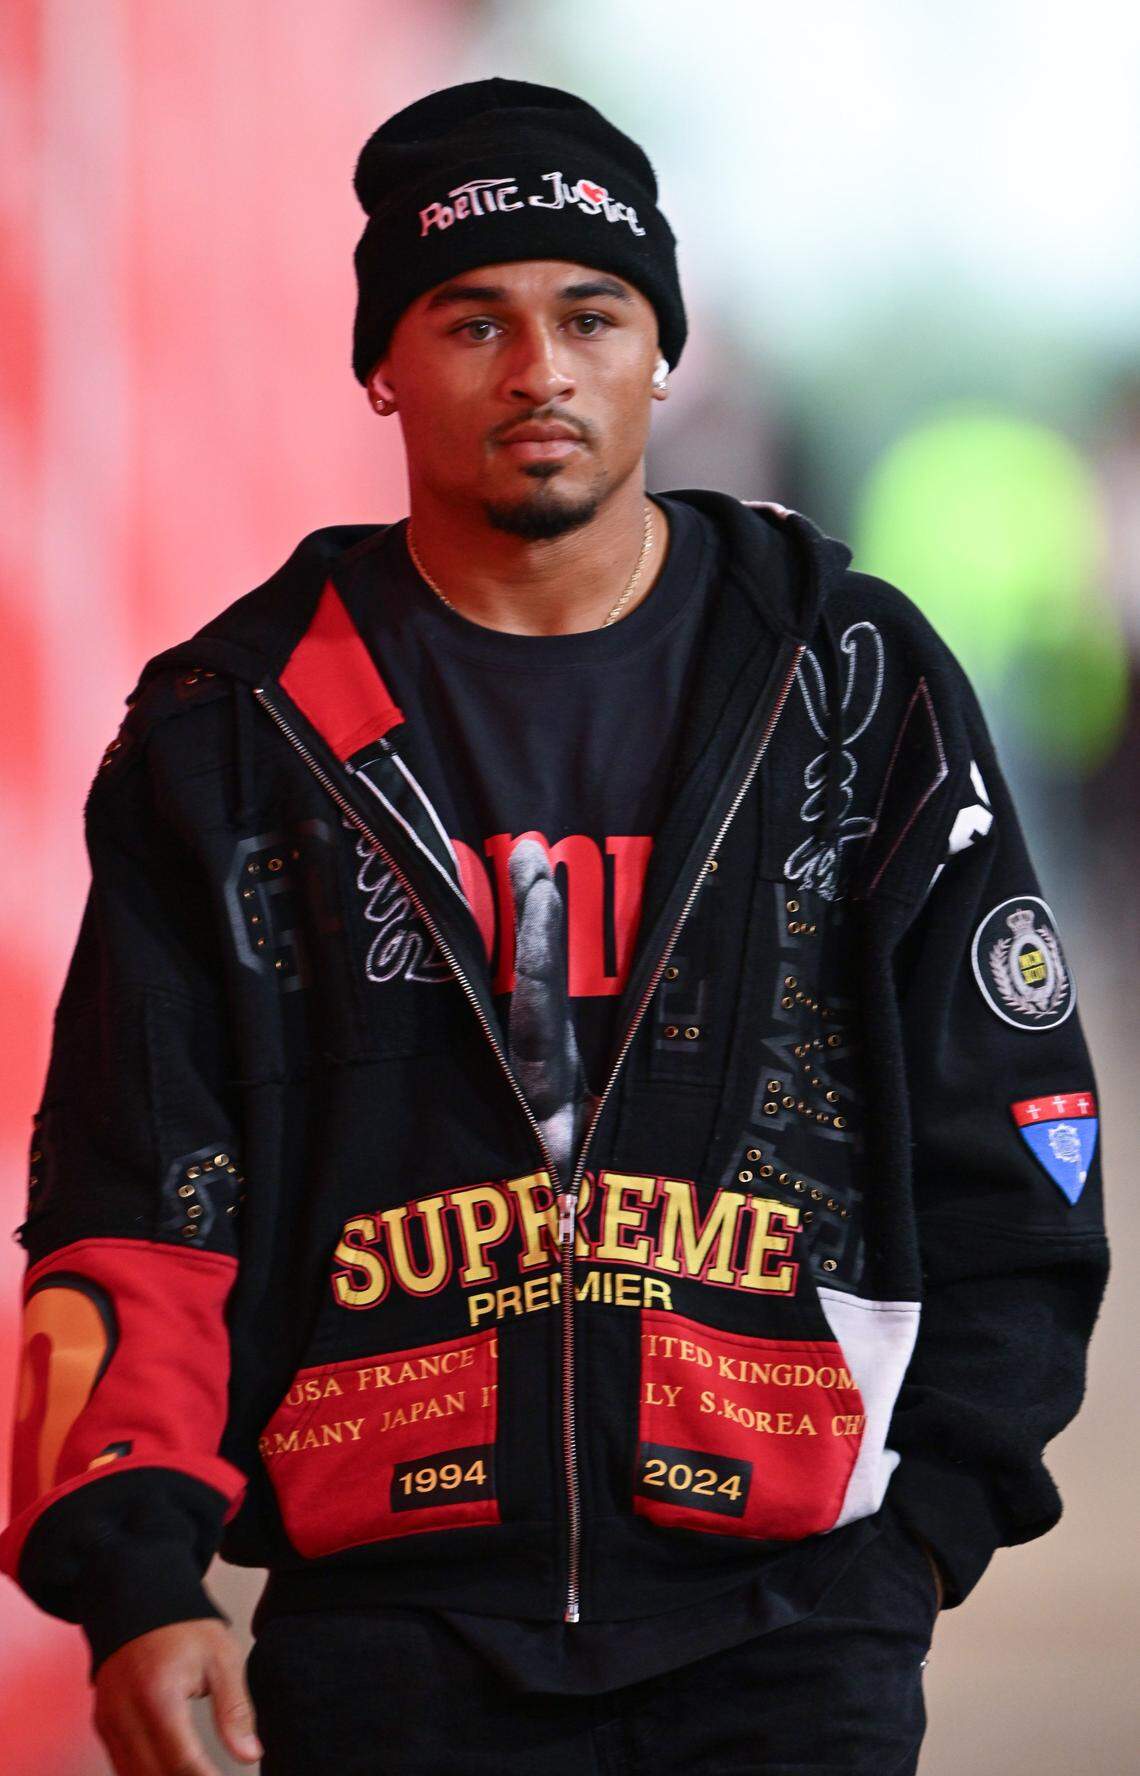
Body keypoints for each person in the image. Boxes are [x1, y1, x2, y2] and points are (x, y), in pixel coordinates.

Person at [1, 77, 1109, 1776]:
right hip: (385, 1638)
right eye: (472, 321)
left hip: (796, 1628)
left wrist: (933, 1519)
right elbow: (141, 1182)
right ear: (380, 362)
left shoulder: (848, 681)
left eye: (592, 314)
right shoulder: (232, 731)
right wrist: (139, 1580)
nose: (540, 370)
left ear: (660, 351)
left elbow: (1019, 1121)